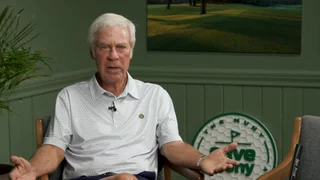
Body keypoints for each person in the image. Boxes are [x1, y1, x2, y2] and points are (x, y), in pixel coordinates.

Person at [9, 13, 239, 180]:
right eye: (104, 47)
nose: (113, 56)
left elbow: (172, 146)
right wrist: (34, 169)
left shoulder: (155, 95)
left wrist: (201, 160)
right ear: (92, 52)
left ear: (131, 52)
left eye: (121, 47)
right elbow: (53, 148)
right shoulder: (69, 97)